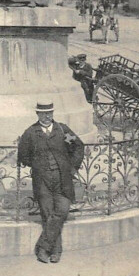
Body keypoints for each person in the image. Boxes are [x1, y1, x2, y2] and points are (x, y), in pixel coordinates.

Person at [18, 102, 84, 264]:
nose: (47, 117)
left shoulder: (62, 130)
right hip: (42, 181)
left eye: (49, 113)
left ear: (53, 113)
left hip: (63, 178)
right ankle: (56, 251)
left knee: (62, 210)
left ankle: (43, 247)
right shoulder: (31, 133)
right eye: (43, 113)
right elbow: (23, 155)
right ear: (37, 114)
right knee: (48, 214)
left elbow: (78, 147)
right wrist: (38, 165)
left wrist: (72, 167)